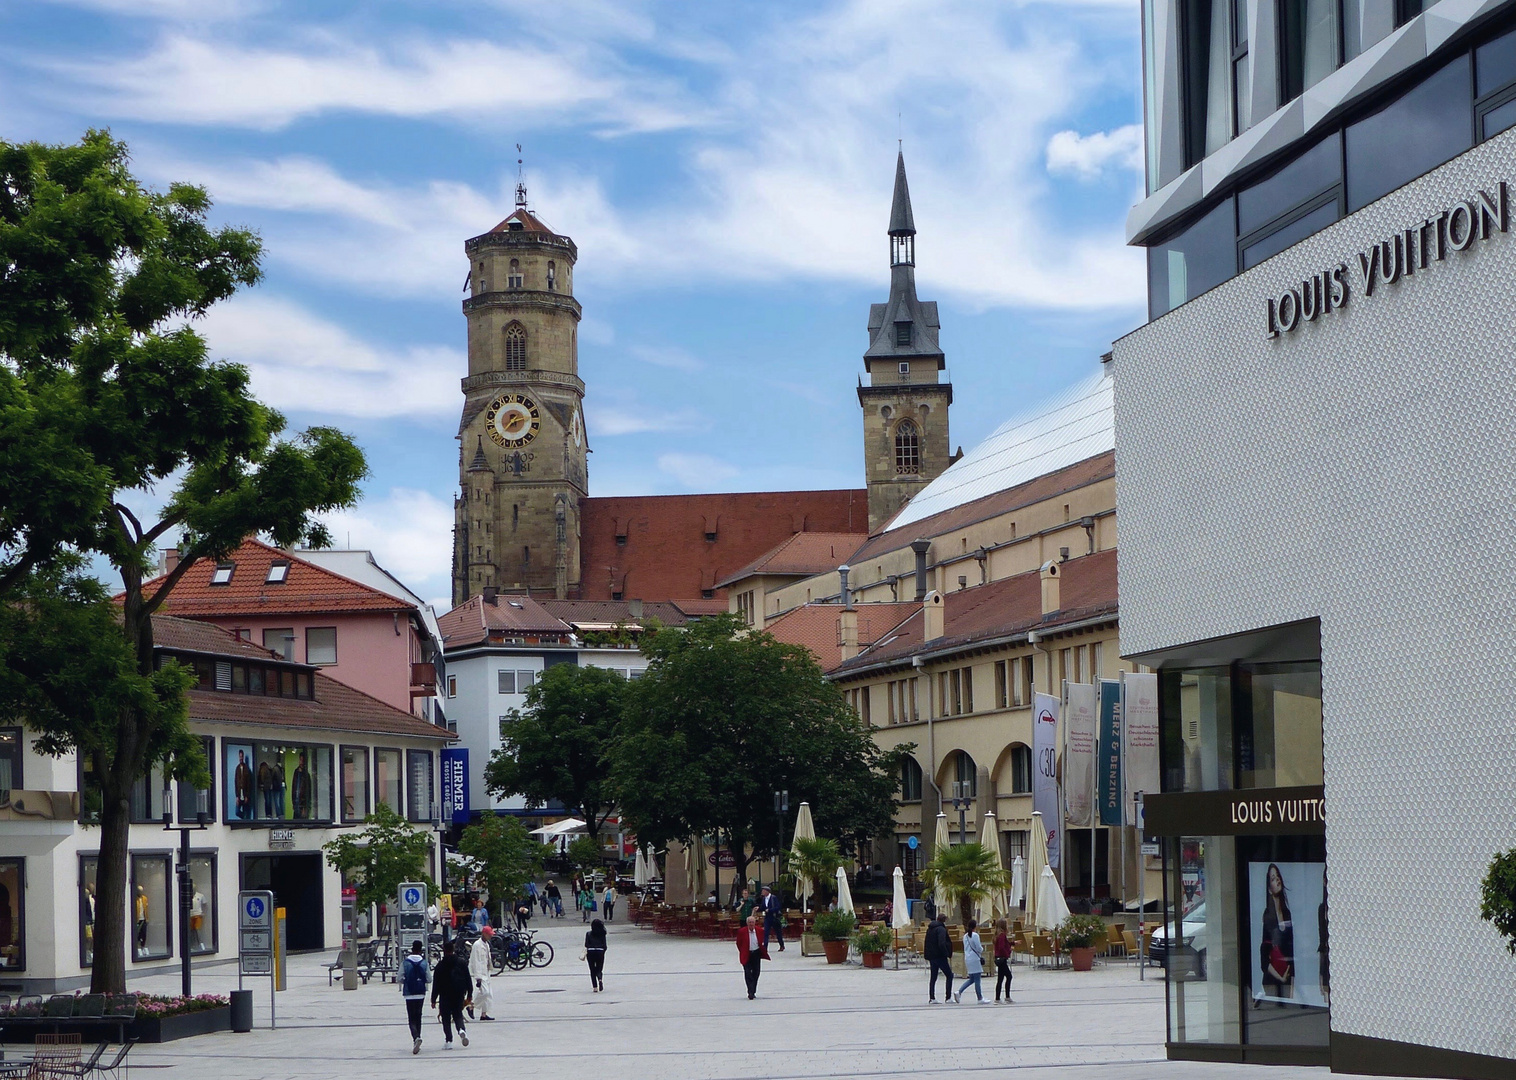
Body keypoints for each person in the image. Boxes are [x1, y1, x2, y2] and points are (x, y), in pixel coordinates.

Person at [1258, 862, 1294, 1005]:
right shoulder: (1268, 915)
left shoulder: (1287, 913)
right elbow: (1264, 958)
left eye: (1278, 876)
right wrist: (1281, 978)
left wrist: (1291, 983)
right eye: (1273, 878)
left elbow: (1291, 952)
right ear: (1269, 888)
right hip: (1273, 980)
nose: (1277, 879)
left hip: (1287, 979)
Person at [430, 938, 471, 1050]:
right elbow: (468, 978)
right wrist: (470, 994)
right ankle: (461, 1030)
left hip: (445, 995)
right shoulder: (461, 962)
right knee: (458, 1014)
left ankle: (449, 1040)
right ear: (453, 949)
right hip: (459, 993)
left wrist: (433, 999)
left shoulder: (440, 965)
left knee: (446, 1018)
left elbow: (436, 984)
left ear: (444, 950)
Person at [399, 939, 430, 1054]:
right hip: (420, 992)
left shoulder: (405, 962)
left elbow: (399, 977)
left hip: (409, 993)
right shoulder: (424, 962)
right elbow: (429, 979)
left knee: (411, 1017)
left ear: (412, 949)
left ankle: (415, 1037)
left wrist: (406, 982)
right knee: (419, 1016)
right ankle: (419, 1036)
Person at [735, 914, 770, 999]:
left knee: (756, 972)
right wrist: (743, 951)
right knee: (747, 972)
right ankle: (750, 991)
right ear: (747, 923)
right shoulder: (742, 931)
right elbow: (738, 943)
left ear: (755, 923)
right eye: (750, 922)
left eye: (753, 922)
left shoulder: (759, 931)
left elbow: (763, 940)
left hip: (756, 953)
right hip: (746, 953)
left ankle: (753, 990)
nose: (751, 924)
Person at [468, 926, 496, 1021]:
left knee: (488, 994)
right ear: (484, 934)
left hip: (486, 971)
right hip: (480, 972)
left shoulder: (486, 944)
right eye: (489, 934)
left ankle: (484, 1014)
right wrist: (478, 977)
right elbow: (476, 961)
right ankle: (471, 1006)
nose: (490, 936)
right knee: (485, 992)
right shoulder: (477, 945)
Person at [955, 918, 986, 1003]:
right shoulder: (975, 935)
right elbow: (979, 948)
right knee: (977, 979)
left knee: (972, 979)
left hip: (968, 958)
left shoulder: (965, 936)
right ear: (975, 927)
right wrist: (982, 949)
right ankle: (980, 998)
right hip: (975, 959)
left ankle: (959, 992)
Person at [924, 913, 953, 1003]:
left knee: (933, 977)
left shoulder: (930, 928)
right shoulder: (941, 929)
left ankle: (932, 998)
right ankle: (948, 997)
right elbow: (941, 943)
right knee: (949, 975)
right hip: (940, 956)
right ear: (944, 920)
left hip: (932, 956)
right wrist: (946, 953)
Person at [758, 884, 785, 951]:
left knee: (778, 932)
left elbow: (778, 907)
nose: (762, 892)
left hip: (774, 917)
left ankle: (781, 945)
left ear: (767, 891)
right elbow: (763, 907)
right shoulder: (764, 899)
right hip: (767, 918)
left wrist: (770, 910)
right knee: (766, 933)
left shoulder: (773, 898)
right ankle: (765, 947)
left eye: (763, 891)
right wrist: (758, 908)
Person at [993, 918, 1014, 1003]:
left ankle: (998, 998)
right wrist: (1008, 952)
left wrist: (1013, 943)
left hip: (998, 958)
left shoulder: (997, 935)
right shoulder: (1002, 935)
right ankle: (1006, 997)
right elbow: (1002, 947)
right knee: (1009, 976)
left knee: (1000, 979)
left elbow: (1004, 944)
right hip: (1002, 958)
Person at [585, 917, 607, 991]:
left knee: (592, 969)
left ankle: (595, 987)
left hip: (590, 952)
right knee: (599, 968)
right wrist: (603, 952)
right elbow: (605, 946)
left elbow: (586, 944)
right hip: (600, 951)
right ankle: (600, 979)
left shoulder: (588, 934)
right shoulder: (602, 934)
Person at [134, 886, 149, 955]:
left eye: (141, 891)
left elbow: (146, 909)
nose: (140, 892)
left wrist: (147, 918)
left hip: (143, 919)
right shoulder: (135, 899)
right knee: (137, 934)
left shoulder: (145, 899)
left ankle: (143, 947)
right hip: (137, 919)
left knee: (144, 934)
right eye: (139, 891)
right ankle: (137, 947)